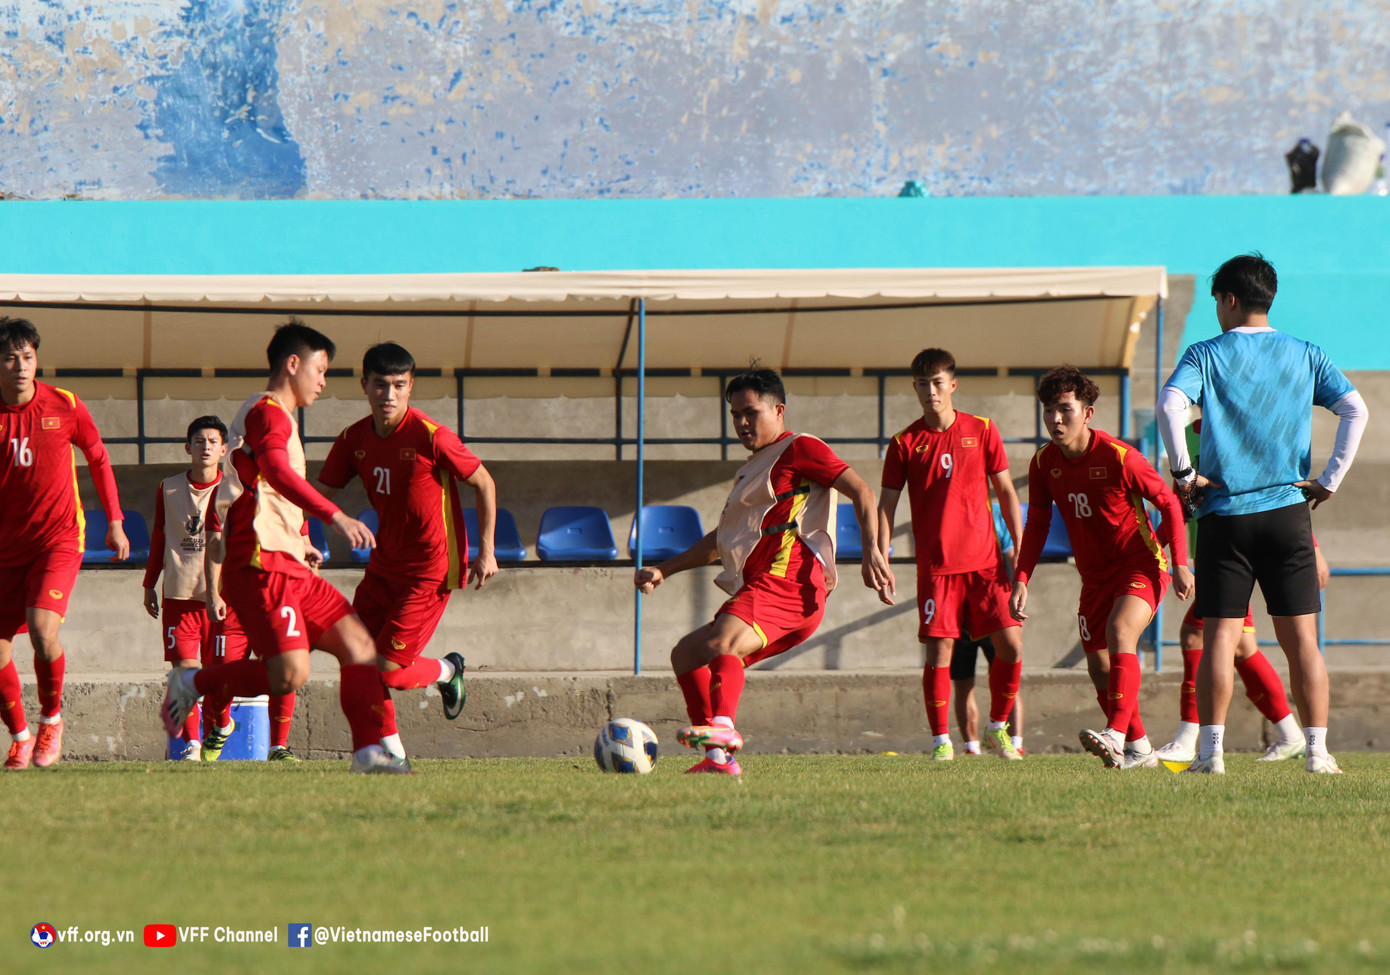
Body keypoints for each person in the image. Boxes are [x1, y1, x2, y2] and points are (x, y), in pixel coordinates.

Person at [161, 320, 411, 774]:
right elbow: (275, 472)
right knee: (290, 674)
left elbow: (260, 489)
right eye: (321, 369)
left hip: (286, 558)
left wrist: (299, 539)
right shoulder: (269, 412)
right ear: (293, 364)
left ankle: (368, 755)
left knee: (359, 647)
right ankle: (194, 681)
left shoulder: (272, 416)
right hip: (261, 563)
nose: (323, 381)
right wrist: (335, 516)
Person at [1158, 253, 1368, 774]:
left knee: (1218, 638)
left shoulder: (1206, 353)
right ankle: (1317, 752)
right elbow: (1355, 409)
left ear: (1229, 299)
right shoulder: (1305, 352)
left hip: (1224, 515)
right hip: (1287, 512)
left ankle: (1210, 754)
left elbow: (1169, 405)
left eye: (1216, 302)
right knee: (1302, 643)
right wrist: (1329, 480)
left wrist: (1184, 475)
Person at [635, 366, 894, 776]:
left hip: (790, 584)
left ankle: (723, 729)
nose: (742, 423)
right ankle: (718, 760)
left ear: (779, 410)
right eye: (735, 414)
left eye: (751, 413)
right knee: (687, 655)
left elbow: (861, 490)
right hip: (769, 590)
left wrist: (871, 551)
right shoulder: (752, 469)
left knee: (722, 642)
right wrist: (664, 570)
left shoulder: (800, 447)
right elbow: (722, 540)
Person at [317, 342, 497, 763]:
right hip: (384, 566)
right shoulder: (353, 439)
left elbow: (484, 482)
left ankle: (448, 670)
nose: (389, 394)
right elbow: (318, 495)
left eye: (399, 385)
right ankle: (394, 757)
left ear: (411, 386)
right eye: (381, 385)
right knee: (359, 659)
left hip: (430, 569)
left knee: (389, 670)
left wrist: (486, 550)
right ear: (364, 385)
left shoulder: (431, 436)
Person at [1010, 366, 1194, 769]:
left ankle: (1114, 734)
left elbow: (1169, 502)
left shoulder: (1119, 457)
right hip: (1093, 577)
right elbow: (1037, 523)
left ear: (1087, 413)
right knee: (1098, 665)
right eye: (1049, 410)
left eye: (1065, 409)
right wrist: (1021, 578)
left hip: (1141, 564)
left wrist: (1181, 563)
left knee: (1120, 631)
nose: (1055, 419)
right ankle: (1139, 748)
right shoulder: (1043, 464)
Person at [877, 348, 1025, 761]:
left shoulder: (982, 429)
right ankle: (941, 742)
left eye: (938, 382)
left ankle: (997, 727)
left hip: (986, 565)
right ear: (915, 388)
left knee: (1011, 646)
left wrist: (1021, 548)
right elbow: (886, 506)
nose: (931, 391)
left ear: (952, 385)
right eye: (923, 384)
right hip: (937, 568)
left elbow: (1007, 492)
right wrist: (880, 556)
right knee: (939, 653)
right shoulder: (904, 443)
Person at [1153, 422, 1326, 764]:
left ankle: (1192, 740)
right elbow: (1179, 502)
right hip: (1219, 548)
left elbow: (1280, 484)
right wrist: (1164, 549)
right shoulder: (1186, 434)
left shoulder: (1244, 419)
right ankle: (1292, 735)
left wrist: (1313, 546)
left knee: (1206, 638)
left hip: (1237, 545)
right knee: (1240, 646)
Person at [1, 317, 129, 770]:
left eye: (28, 356)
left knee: (42, 630)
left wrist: (115, 520)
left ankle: (51, 719)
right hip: (5, 549)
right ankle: (20, 737)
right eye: (10, 358)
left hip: (57, 539)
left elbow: (98, 457)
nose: (21, 366)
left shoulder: (66, 403)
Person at [143, 415, 299, 762]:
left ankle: (227, 729)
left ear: (225, 449)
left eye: (213, 441)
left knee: (219, 680)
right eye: (199, 441)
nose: (206, 447)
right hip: (181, 595)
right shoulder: (168, 488)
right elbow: (159, 535)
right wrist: (149, 583)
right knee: (185, 672)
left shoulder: (236, 488)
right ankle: (193, 746)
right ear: (188, 447)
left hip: (225, 600)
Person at [952, 504, 1024, 756]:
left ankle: (1015, 743)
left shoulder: (994, 512)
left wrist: (1015, 601)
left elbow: (1012, 556)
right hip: (959, 610)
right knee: (963, 683)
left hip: (992, 607)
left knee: (1007, 678)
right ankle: (971, 747)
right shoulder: (945, 511)